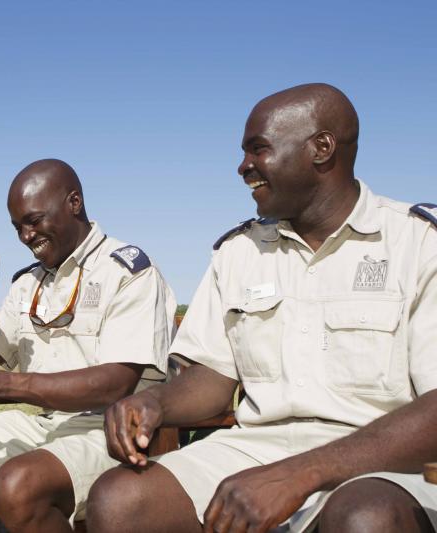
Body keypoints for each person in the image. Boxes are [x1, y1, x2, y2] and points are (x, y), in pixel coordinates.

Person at [86, 83, 437, 533]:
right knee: (121, 499)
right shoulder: (239, 252)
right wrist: (154, 401)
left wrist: (301, 473)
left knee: (365, 517)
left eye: (259, 149)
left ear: (322, 149)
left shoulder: (418, 243)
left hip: (383, 458)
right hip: (257, 447)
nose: (243, 166)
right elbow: (213, 377)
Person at [0, 158, 176, 532]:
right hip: (47, 426)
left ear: (74, 203)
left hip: (115, 430)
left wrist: (2, 386)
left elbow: (116, 383)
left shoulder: (129, 272)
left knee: (18, 484)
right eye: (18, 227)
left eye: (34, 221)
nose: (26, 237)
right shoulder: (28, 283)